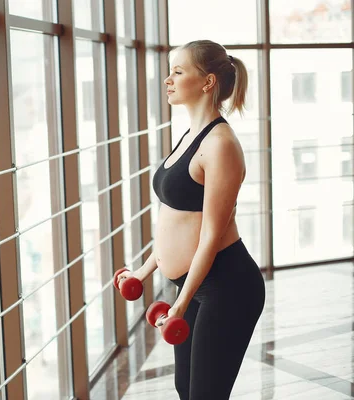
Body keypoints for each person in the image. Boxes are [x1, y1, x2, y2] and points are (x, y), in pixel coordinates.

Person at [116, 39, 266, 400]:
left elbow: (211, 234)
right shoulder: (188, 136)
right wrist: (143, 271)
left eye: (178, 72)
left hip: (226, 288)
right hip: (191, 285)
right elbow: (175, 221)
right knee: (186, 389)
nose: (168, 79)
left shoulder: (221, 145)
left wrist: (181, 304)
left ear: (208, 82)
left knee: (205, 395)